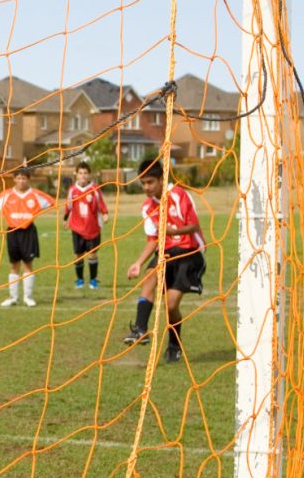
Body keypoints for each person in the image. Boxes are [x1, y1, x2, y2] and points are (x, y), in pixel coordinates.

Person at [122, 156, 206, 364]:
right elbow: (153, 240)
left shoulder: (178, 195)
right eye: (143, 183)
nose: (146, 187)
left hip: (190, 252)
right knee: (149, 278)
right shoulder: (147, 207)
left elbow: (194, 226)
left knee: (171, 305)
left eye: (150, 182)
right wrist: (138, 263)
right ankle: (141, 329)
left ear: (161, 179)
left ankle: (174, 345)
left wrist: (172, 230)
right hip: (167, 252)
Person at [0, 165, 54, 307]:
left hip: (28, 232)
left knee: (28, 263)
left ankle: (28, 297)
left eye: (24, 178)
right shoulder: (6, 195)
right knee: (14, 264)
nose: (21, 181)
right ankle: (13, 297)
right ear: (14, 179)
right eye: (19, 178)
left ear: (29, 179)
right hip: (12, 232)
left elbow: (52, 202)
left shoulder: (36, 195)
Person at [64, 161, 109, 290]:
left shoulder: (94, 189)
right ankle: (79, 280)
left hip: (93, 227)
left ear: (89, 175)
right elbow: (68, 205)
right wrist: (65, 218)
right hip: (77, 227)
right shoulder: (72, 190)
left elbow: (101, 203)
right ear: (76, 175)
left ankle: (93, 280)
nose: (83, 176)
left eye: (85, 173)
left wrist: (105, 214)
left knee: (92, 254)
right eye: (80, 173)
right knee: (78, 255)